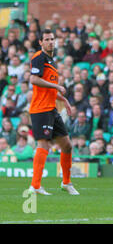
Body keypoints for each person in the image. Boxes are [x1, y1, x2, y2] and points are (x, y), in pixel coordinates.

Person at [28, 29, 79, 195]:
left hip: (51, 108)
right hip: (40, 109)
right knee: (44, 144)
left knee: (67, 145)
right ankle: (35, 186)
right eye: (47, 39)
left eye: (52, 39)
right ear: (41, 43)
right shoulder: (39, 57)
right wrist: (57, 86)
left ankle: (66, 182)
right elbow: (34, 79)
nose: (51, 42)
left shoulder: (51, 60)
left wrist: (63, 100)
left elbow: (47, 88)